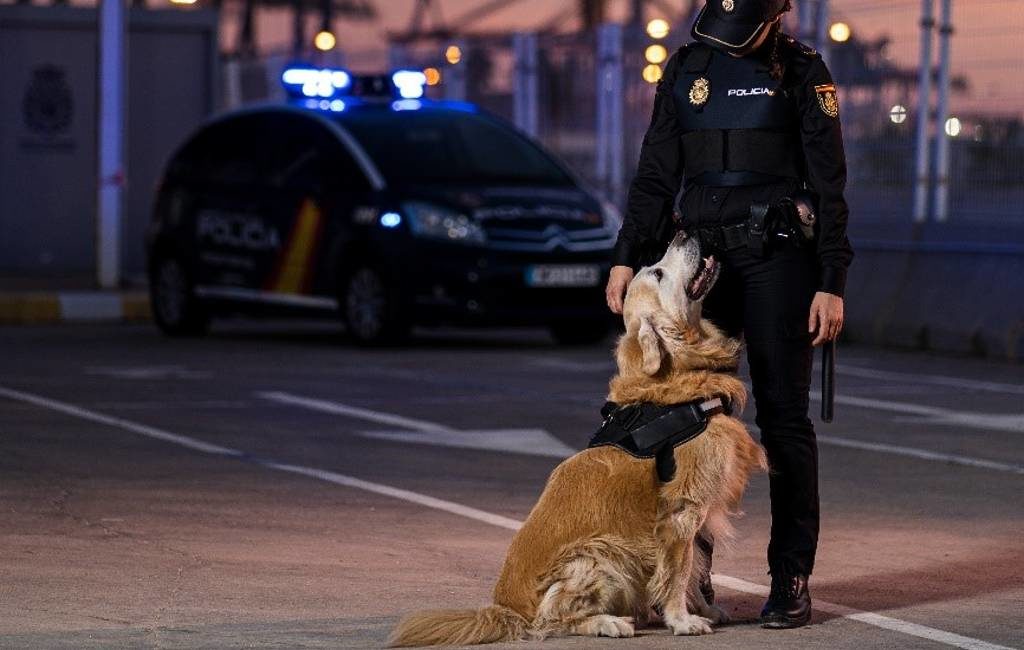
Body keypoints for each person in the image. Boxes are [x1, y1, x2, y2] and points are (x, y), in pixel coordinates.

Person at [605, 0, 853, 629]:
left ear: (777, 15)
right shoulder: (687, 66)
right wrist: (627, 257)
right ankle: (692, 569)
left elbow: (829, 183)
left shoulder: (803, 71)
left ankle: (790, 577)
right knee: (685, 418)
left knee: (782, 417)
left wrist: (831, 279)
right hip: (701, 260)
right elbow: (657, 173)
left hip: (779, 259)